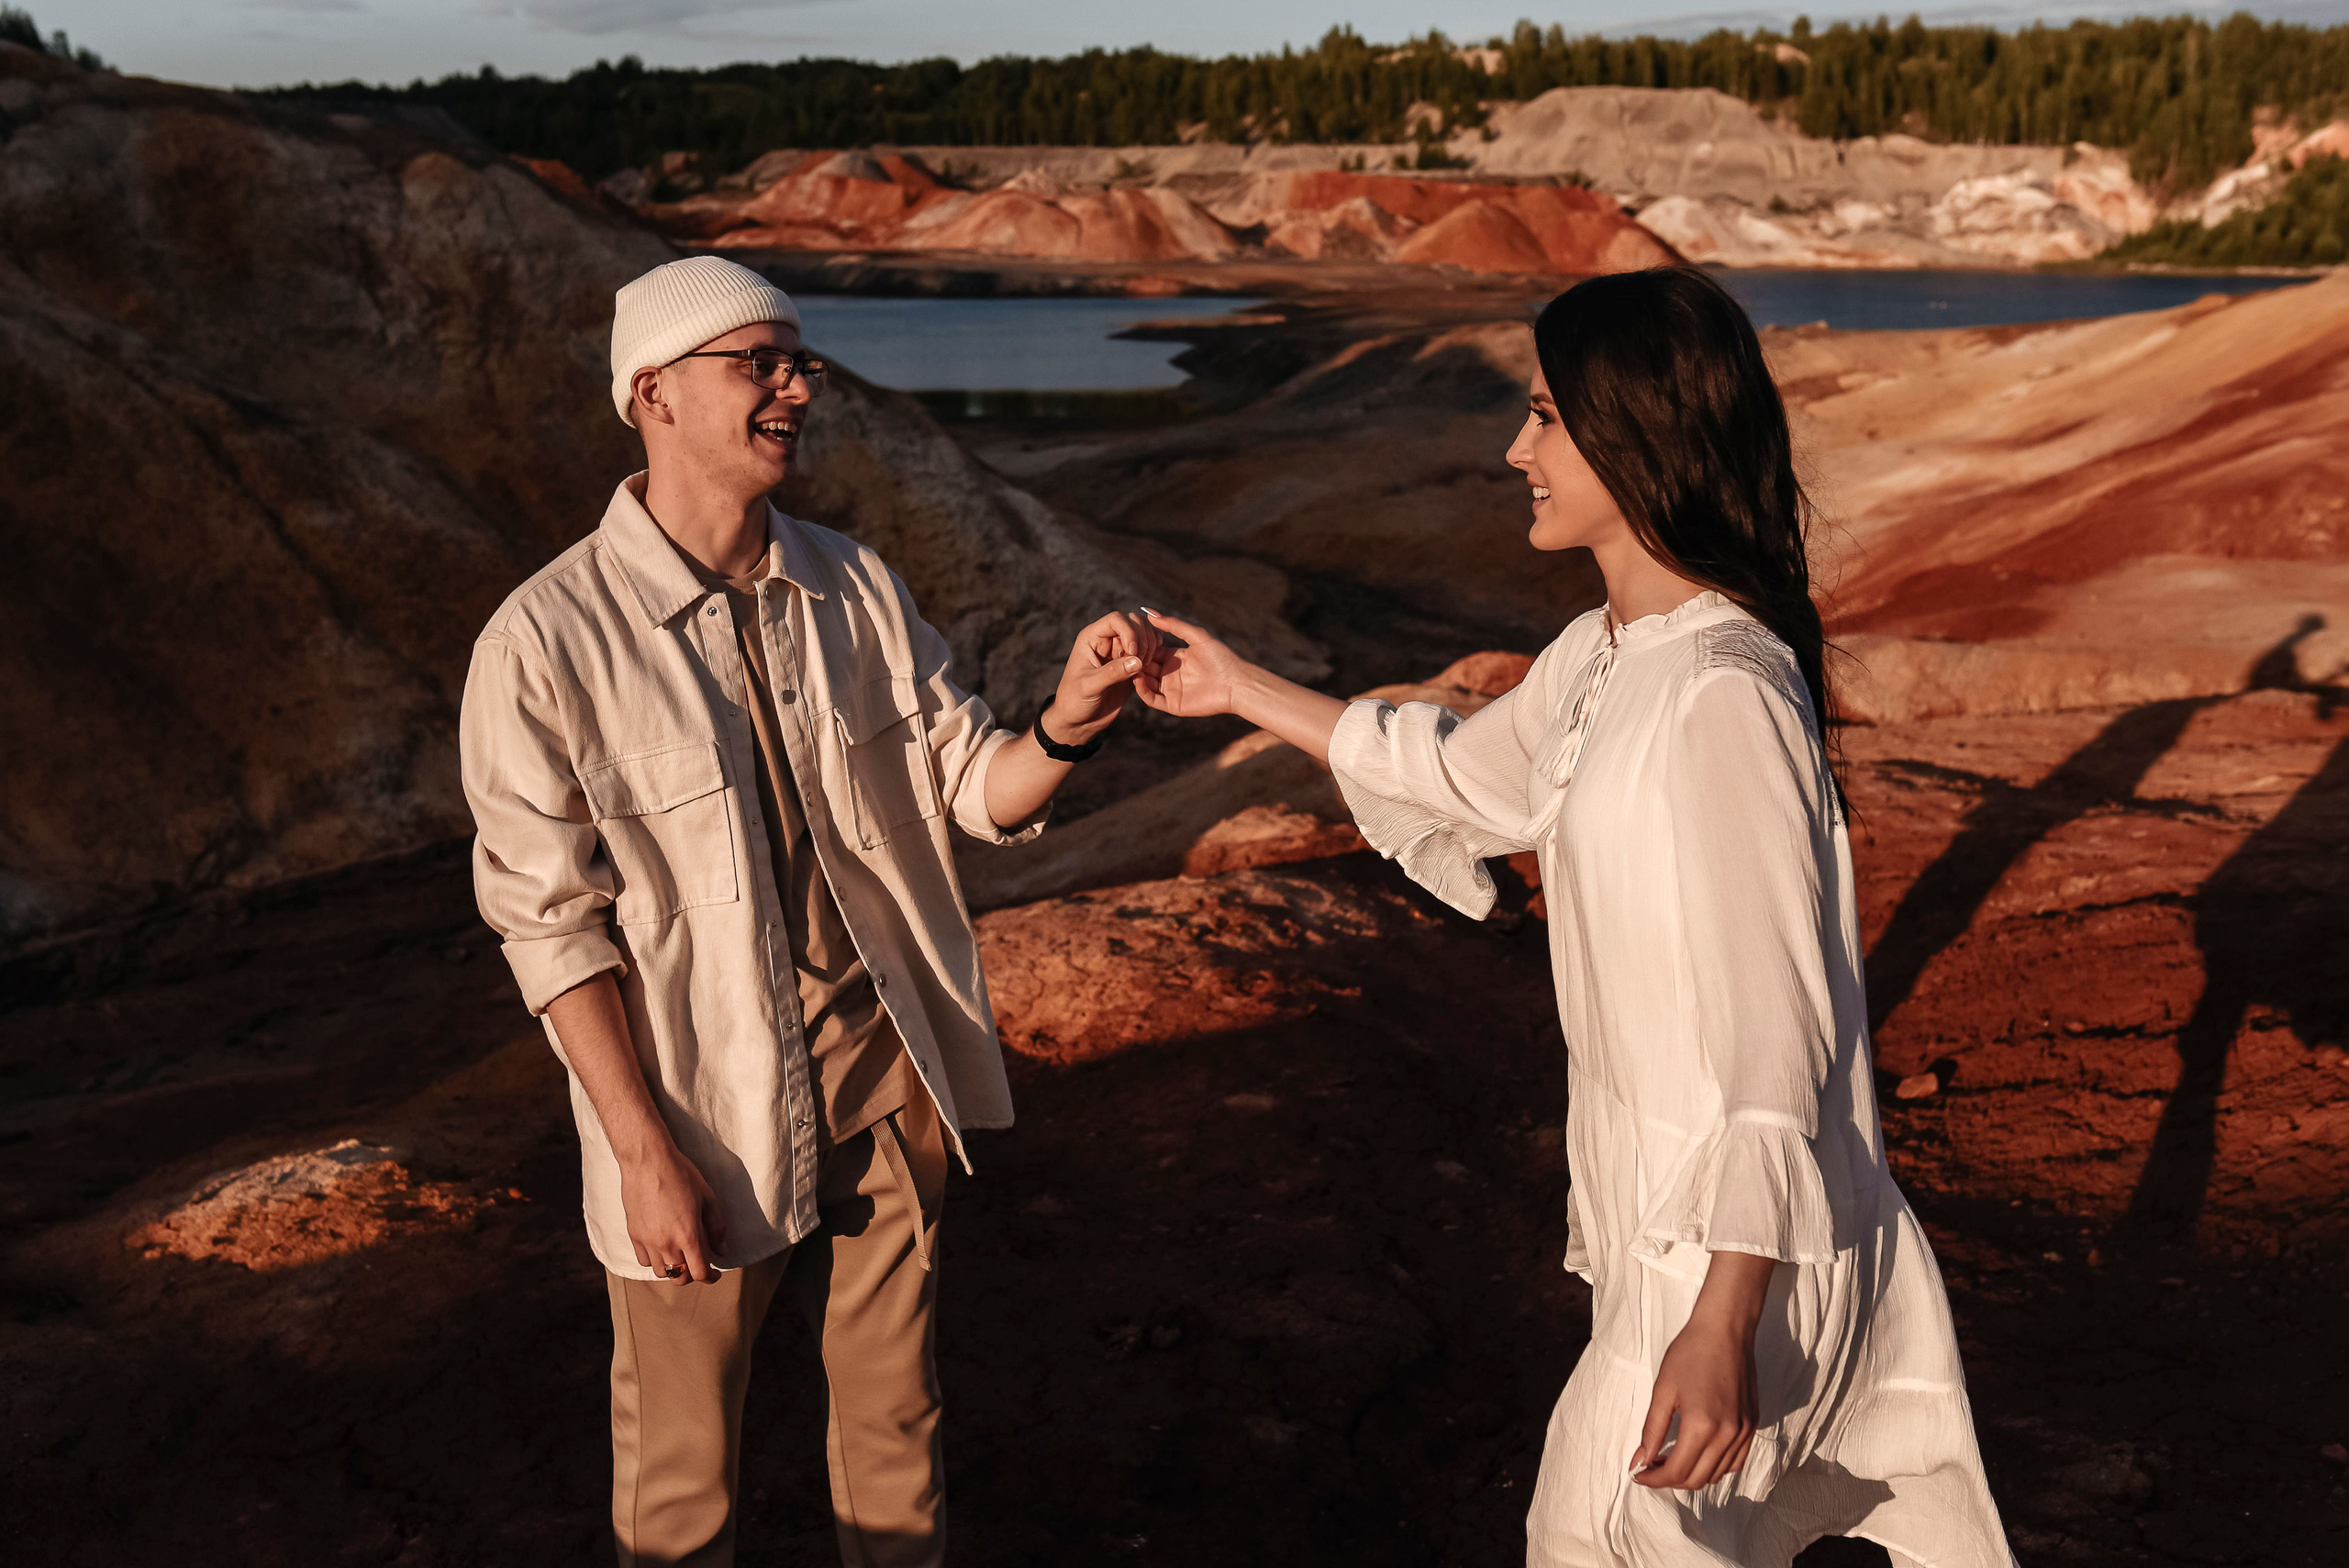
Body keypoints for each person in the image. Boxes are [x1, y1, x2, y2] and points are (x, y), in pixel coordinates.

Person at [1133, 267, 2014, 1567]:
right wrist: (1237, 685)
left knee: (1582, 1534)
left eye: (1544, 415)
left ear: (1634, 431)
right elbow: (1456, 775)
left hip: (1725, 1252)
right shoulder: (1607, 654)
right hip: (1672, 1236)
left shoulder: (1719, 690)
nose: (1515, 448)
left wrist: (1722, 1318)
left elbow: (1783, 1034)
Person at [459, 255, 1153, 1568]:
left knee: (899, 1431)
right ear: (651, 394)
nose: (795, 388)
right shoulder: (543, 643)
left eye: (800, 364)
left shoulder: (853, 587)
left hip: (890, 1079)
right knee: (683, 1481)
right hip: (703, 1114)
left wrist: (1068, 721)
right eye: (759, 364)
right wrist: (638, 1151)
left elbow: (973, 788)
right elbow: (549, 929)